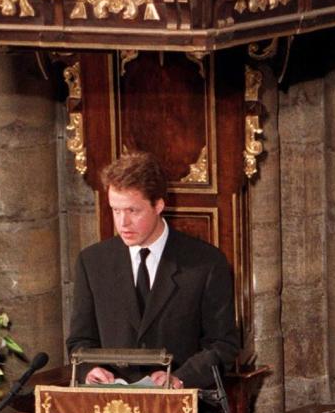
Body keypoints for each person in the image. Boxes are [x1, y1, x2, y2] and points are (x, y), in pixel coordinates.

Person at [66, 151, 240, 390]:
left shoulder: (206, 263)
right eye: (116, 210)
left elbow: (223, 345)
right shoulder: (92, 262)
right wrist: (89, 369)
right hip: (112, 409)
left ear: (158, 205)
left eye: (133, 211)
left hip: (181, 410)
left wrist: (179, 378)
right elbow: (80, 341)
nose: (122, 223)